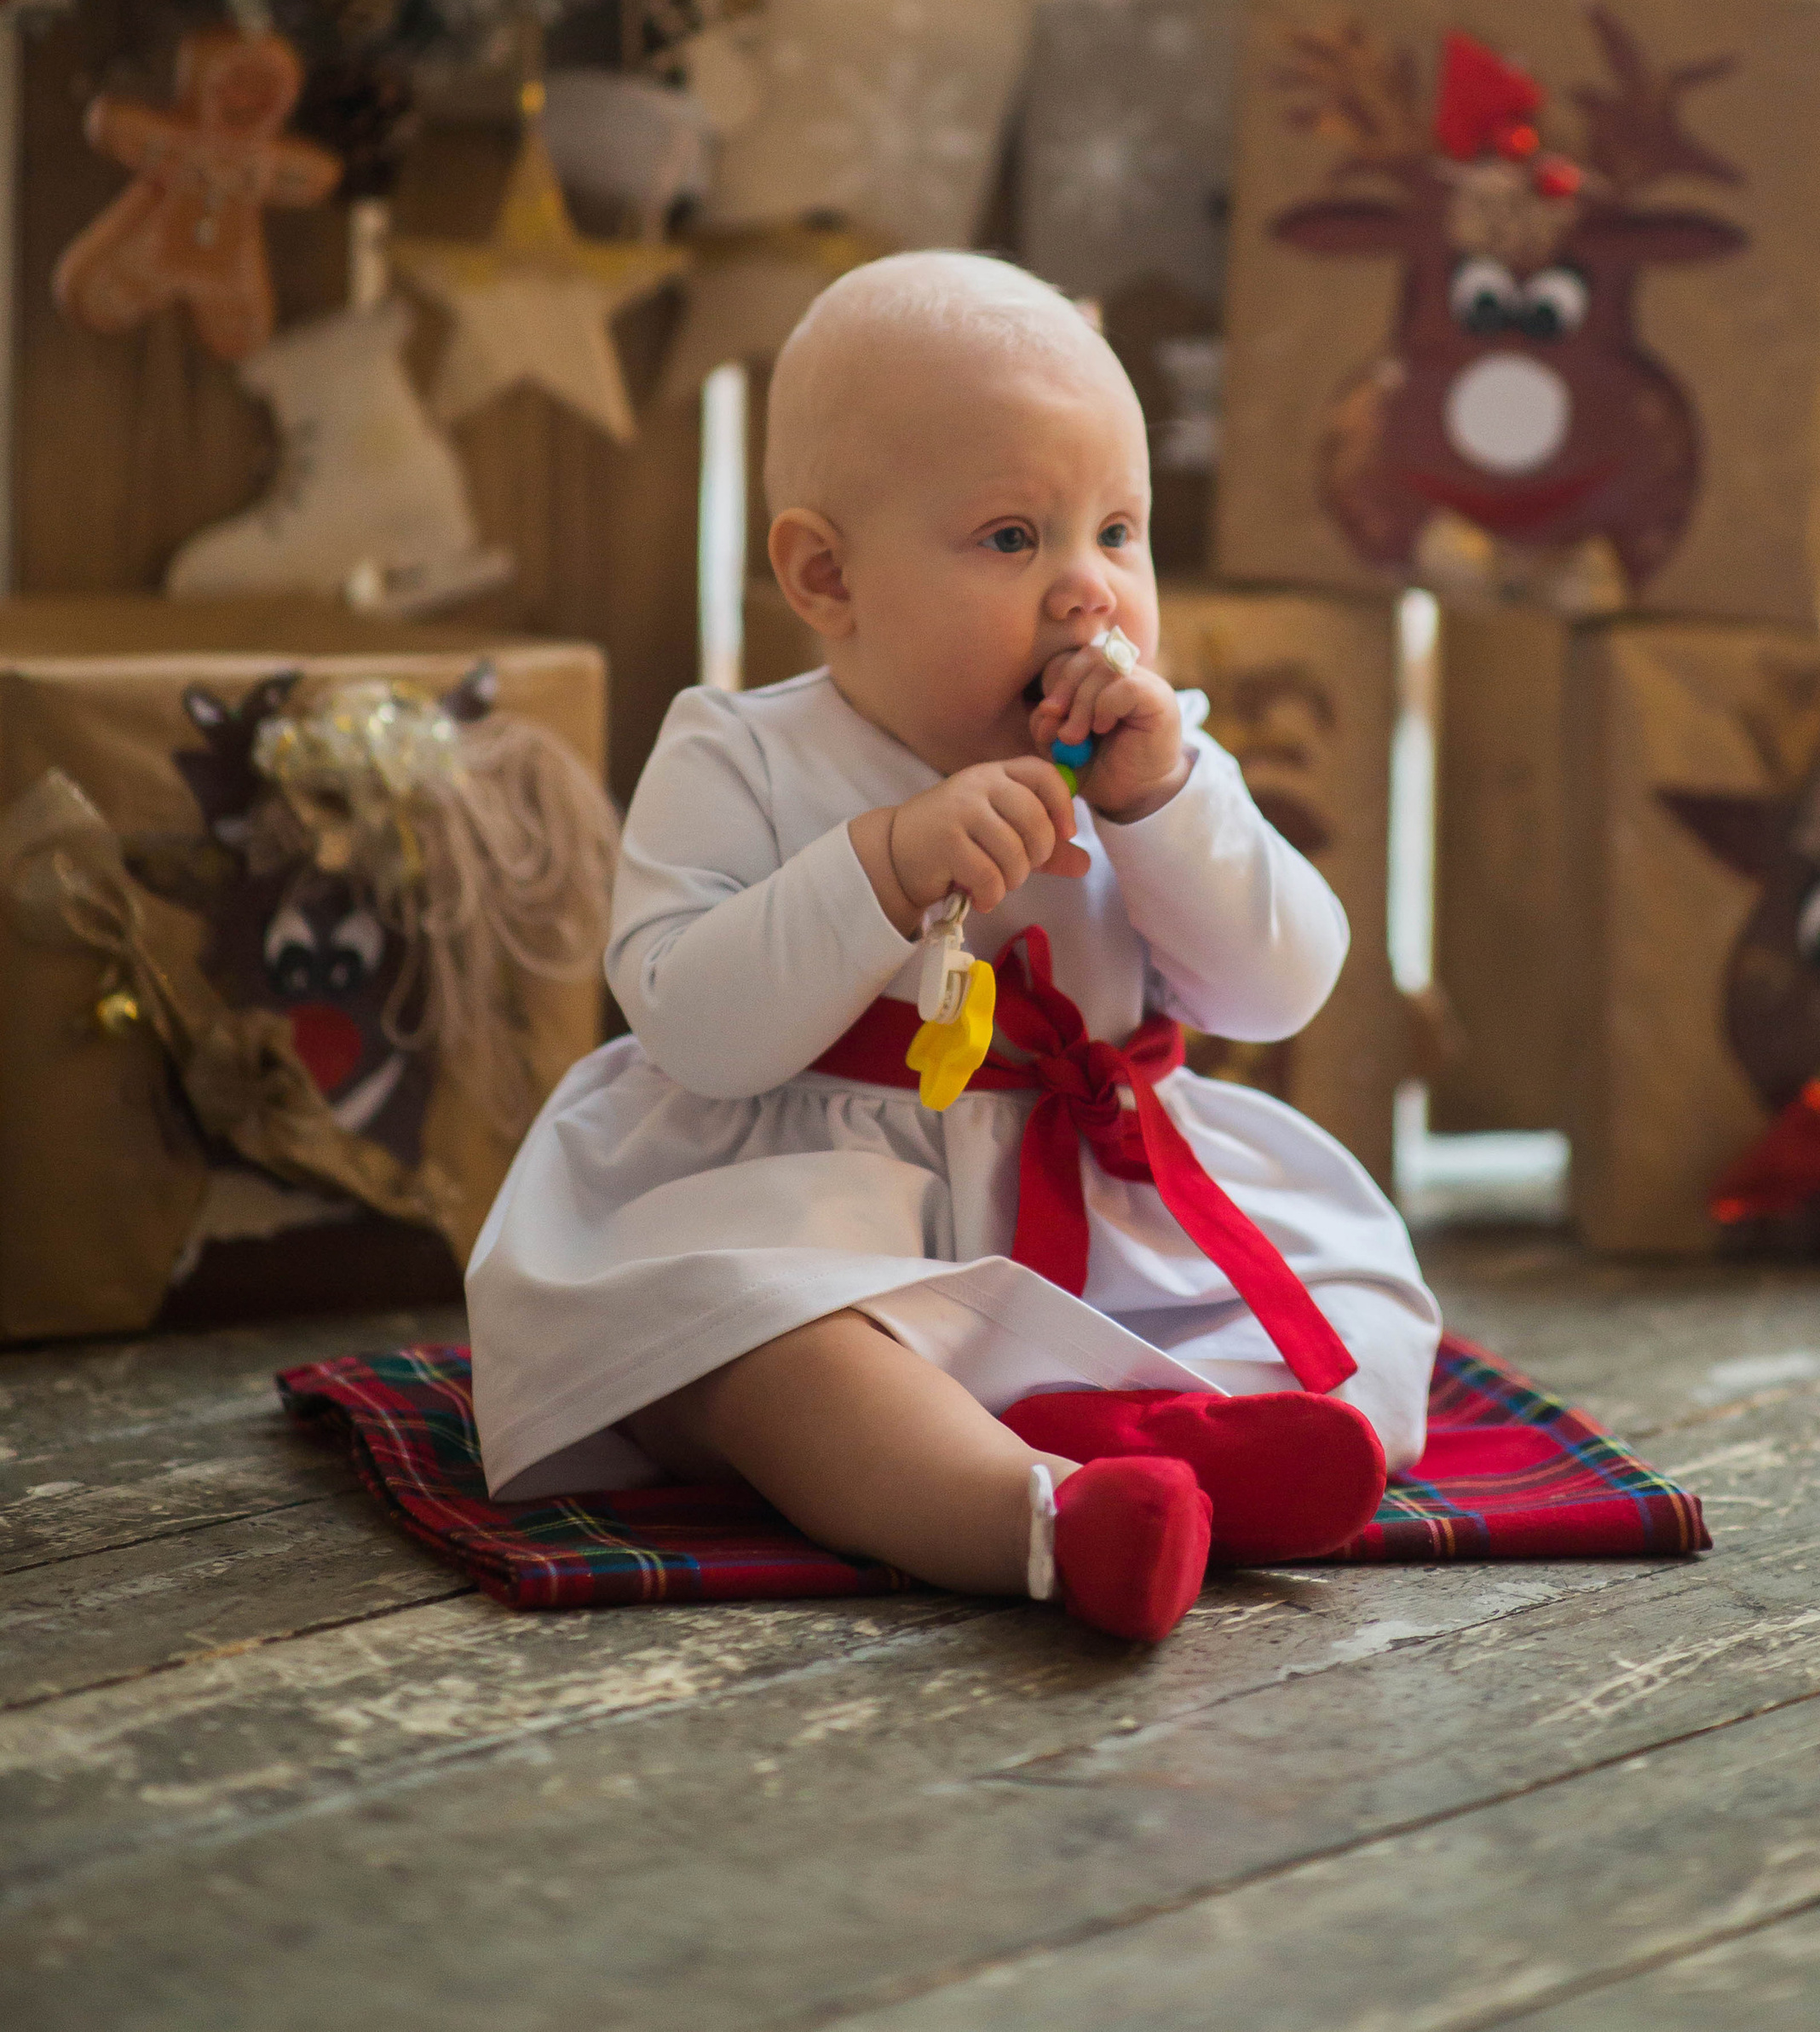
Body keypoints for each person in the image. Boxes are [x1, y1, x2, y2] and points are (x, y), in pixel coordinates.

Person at [467, 252, 1441, 1641]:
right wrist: (878, 867)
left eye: (1118, 530)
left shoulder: (1155, 765)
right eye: (1012, 538)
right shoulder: (740, 754)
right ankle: (1032, 1514)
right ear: (827, 576)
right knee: (759, 1349)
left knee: (1362, 1313)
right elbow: (690, 1024)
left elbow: (1277, 990)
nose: (1089, 592)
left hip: (1101, 1195)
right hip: (804, 1205)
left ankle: (1163, 1440)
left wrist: (1165, 808)